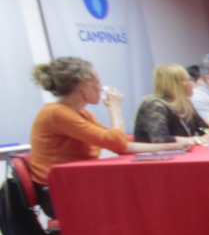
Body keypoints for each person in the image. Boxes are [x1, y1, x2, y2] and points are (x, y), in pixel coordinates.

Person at [26, 57, 178, 211]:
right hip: (60, 192)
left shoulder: (81, 113)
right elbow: (117, 142)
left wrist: (173, 146)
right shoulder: (57, 113)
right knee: (140, 198)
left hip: (75, 185)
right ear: (81, 85)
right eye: (97, 82)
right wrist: (115, 107)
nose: (100, 88)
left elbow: (121, 144)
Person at [133, 64, 209, 144]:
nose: (192, 84)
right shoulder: (155, 105)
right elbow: (160, 139)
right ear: (179, 83)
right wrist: (198, 140)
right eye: (189, 79)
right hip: (158, 157)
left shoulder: (185, 104)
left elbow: (202, 128)